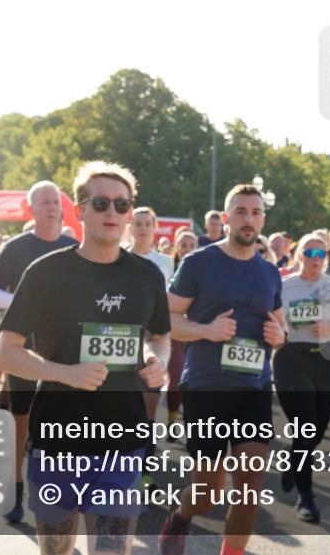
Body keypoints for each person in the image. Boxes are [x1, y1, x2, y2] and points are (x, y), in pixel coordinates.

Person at [0, 161, 169, 555]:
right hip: (57, 439)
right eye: (101, 203)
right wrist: (66, 373)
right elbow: (5, 353)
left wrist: (158, 361)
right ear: (80, 210)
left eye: (122, 205)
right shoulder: (46, 272)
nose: (112, 213)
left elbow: (160, 339)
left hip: (123, 440)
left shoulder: (147, 276)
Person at [159, 184, 287, 555]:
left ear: (263, 218)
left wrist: (279, 334)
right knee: (207, 492)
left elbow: (281, 327)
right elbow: (165, 318)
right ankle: (181, 515)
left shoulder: (269, 272)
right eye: (241, 211)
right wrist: (204, 330)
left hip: (255, 387)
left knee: (249, 488)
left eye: (256, 212)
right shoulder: (199, 263)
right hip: (207, 387)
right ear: (226, 217)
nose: (249, 219)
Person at [0, 180, 78, 523]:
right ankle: (15, 489)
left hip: (64, 353)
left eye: (56, 202)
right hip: (23, 352)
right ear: (32, 208)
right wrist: (32, 309)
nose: (52, 207)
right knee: (21, 426)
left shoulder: (75, 247)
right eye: (45, 202)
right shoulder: (16, 248)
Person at [275, 234, 330, 522]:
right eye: (310, 251)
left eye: (321, 253)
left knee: (315, 432)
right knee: (306, 428)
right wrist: (280, 332)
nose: (315, 257)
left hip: (327, 360)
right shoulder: (284, 287)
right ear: (299, 254)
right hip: (291, 358)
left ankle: (293, 459)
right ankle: (306, 499)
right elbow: (271, 320)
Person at [126, 206, 174, 489]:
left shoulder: (165, 263)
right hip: (122, 340)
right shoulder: (117, 256)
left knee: (147, 409)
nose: (143, 228)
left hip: (153, 339)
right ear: (130, 227)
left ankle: (145, 469)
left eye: (148, 223)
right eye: (138, 223)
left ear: (155, 228)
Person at [165, 229, 198, 439]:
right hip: (175, 332)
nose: (187, 249)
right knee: (176, 377)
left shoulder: (203, 270)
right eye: (183, 245)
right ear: (176, 247)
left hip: (197, 332)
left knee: (194, 381)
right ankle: (170, 420)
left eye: (191, 245)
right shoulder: (169, 269)